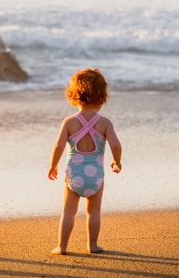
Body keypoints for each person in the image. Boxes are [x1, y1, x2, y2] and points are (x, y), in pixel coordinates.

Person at [48, 68, 122, 255]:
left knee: (68, 213)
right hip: (95, 176)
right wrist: (117, 162)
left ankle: (62, 247)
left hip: (74, 175)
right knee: (94, 212)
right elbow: (116, 145)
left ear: (74, 94)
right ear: (102, 96)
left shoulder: (69, 122)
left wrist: (53, 166)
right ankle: (93, 245)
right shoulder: (105, 123)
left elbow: (58, 146)